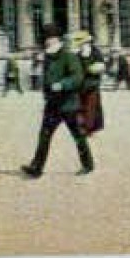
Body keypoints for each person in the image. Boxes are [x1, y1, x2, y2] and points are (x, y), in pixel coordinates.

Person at [20, 26, 94, 178]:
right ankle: (37, 167)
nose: (46, 42)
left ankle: (88, 164)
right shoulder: (48, 56)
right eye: (45, 39)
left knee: (78, 135)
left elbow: (77, 77)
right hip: (53, 104)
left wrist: (62, 84)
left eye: (48, 39)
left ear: (55, 39)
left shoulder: (68, 55)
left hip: (68, 104)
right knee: (44, 135)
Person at [74, 31, 107, 135]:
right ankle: (83, 126)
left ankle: (88, 128)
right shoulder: (78, 54)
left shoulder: (95, 52)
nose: (81, 45)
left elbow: (101, 65)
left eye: (82, 42)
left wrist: (92, 68)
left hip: (92, 84)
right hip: (81, 85)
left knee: (91, 108)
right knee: (81, 106)